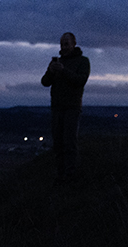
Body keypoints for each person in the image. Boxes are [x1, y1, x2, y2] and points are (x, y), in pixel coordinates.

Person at [41, 32, 91, 184]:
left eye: (67, 44)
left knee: (69, 141)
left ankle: (70, 175)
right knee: (58, 143)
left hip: (72, 106)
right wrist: (51, 71)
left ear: (74, 44)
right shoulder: (56, 63)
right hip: (57, 107)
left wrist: (63, 71)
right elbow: (45, 82)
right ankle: (60, 174)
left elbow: (80, 80)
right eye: (62, 44)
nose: (64, 47)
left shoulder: (83, 61)